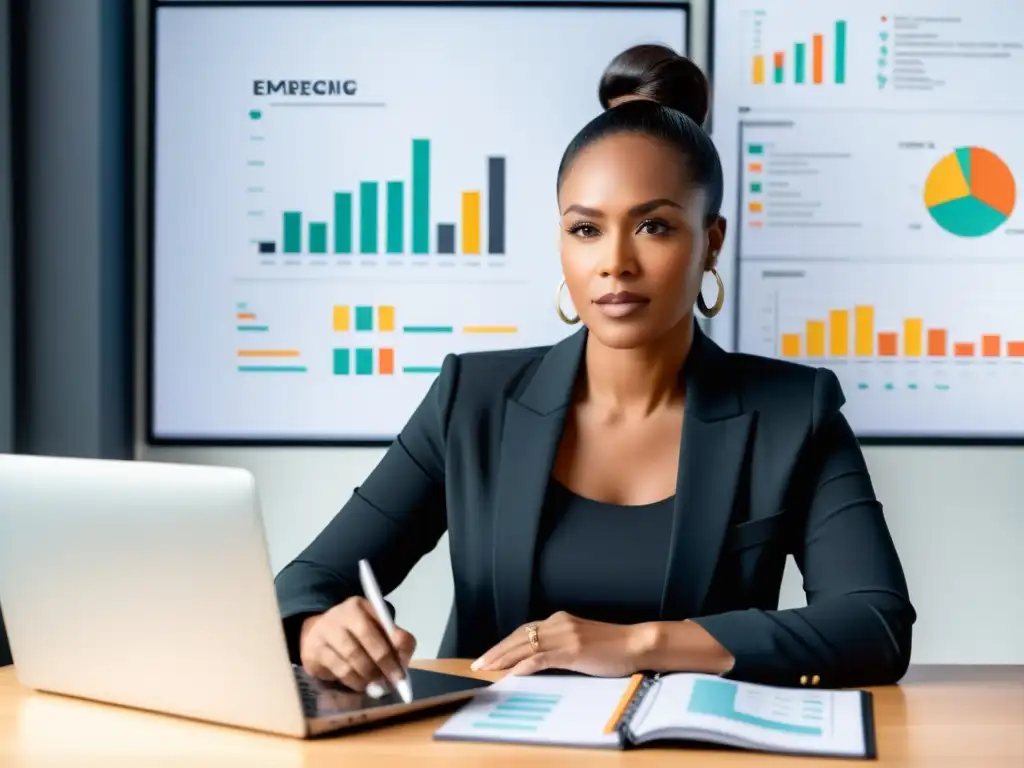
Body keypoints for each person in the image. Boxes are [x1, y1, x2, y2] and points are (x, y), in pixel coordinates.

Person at [275, 44, 915, 694]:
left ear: (711, 242)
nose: (615, 263)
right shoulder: (473, 400)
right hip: (489, 751)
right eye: (586, 230)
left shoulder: (792, 410)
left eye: (655, 228)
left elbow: (875, 625)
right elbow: (304, 585)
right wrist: (317, 630)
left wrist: (636, 644)